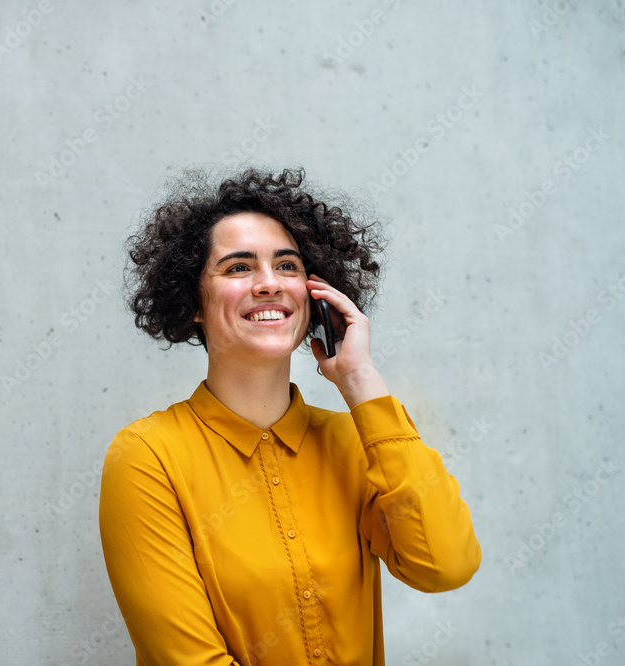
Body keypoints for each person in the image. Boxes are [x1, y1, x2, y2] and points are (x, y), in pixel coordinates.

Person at [99, 167, 481, 666]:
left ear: (315, 292)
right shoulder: (147, 456)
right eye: (238, 268)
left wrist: (360, 379)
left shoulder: (356, 441)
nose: (269, 285)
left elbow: (445, 565)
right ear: (193, 300)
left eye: (287, 266)